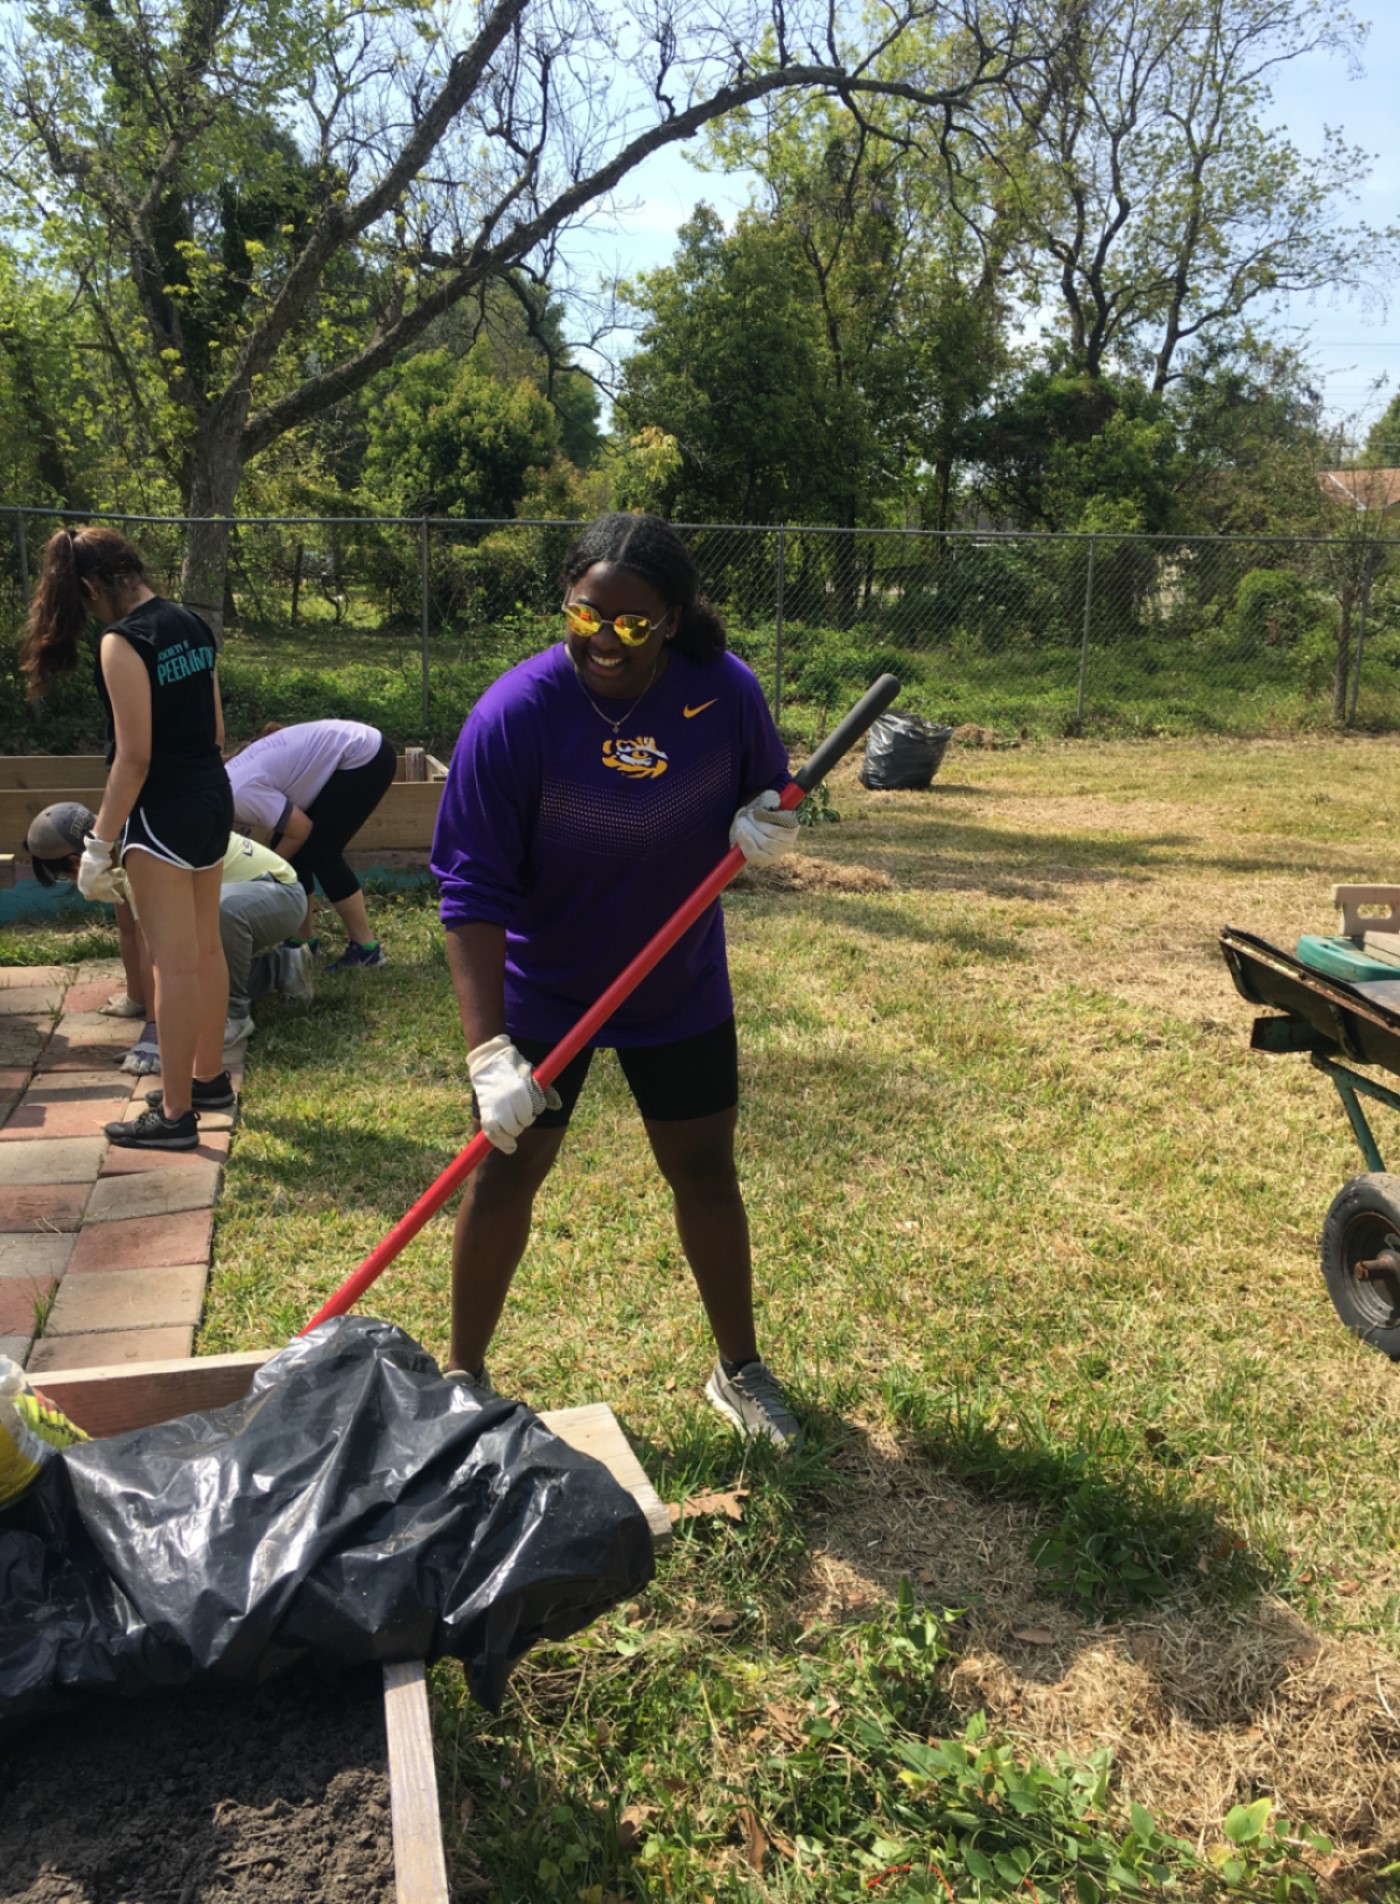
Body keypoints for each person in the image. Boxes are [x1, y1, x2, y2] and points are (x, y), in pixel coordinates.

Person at [431, 511, 805, 1447]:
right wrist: (489, 1055)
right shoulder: (514, 715)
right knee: (506, 1174)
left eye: (633, 623)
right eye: (586, 614)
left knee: (706, 1171)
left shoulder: (721, 693)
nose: (606, 638)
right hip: (547, 993)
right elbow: (469, 890)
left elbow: (770, 784)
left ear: (672, 620)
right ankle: (461, 1381)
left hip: (676, 980)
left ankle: (739, 1368)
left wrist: (765, 818)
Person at [18, 528, 232, 1150]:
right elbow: (215, 727)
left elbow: (132, 759)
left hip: (162, 812)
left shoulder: (122, 642)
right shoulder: (191, 623)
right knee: (206, 950)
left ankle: (173, 1115)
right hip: (212, 798)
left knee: (172, 963)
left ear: (90, 587)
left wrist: (98, 844)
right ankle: (210, 1079)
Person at [24, 803, 315, 1089]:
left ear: (77, 862)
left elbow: (152, 949)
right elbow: (127, 931)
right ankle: (280, 967)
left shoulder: (139, 853)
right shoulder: (120, 846)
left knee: (208, 923)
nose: (73, 882)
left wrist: (155, 1034)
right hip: (256, 897)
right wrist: (135, 1000)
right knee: (189, 983)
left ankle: (235, 1013)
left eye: (65, 876)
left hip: (279, 895)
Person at [224, 720, 396, 969]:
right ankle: (302, 939)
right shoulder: (227, 787)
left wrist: (265, 873)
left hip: (364, 755)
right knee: (290, 847)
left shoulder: (239, 794)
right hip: (352, 749)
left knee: (321, 851)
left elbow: (300, 829)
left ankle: (366, 949)